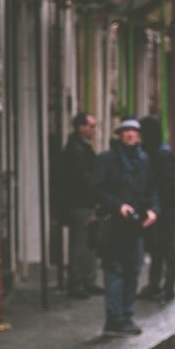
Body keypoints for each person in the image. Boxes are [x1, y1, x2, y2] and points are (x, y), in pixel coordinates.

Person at [91, 118, 158, 337]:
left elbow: (151, 189)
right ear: (119, 135)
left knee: (134, 270)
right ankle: (114, 319)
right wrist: (118, 206)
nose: (130, 135)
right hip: (114, 224)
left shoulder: (144, 160)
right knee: (114, 271)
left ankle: (126, 316)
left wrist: (153, 210)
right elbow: (96, 189)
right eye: (125, 131)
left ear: (139, 136)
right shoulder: (107, 159)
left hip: (136, 225)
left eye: (134, 132)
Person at [58, 112, 102, 299]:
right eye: (90, 126)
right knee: (80, 244)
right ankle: (77, 283)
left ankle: (87, 280)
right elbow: (78, 178)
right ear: (80, 127)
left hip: (86, 202)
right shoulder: (75, 150)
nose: (93, 130)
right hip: (79, 202)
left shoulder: (81, 147)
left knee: (89, 243)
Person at [138, 115, 175, 302]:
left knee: (166, 249)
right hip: (156, 208)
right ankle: (155, 284)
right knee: (156, 248)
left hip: (164, 210)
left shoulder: (161, 154)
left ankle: (168, 287)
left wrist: (161, 208)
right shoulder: (150, 152)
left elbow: (168, 186)